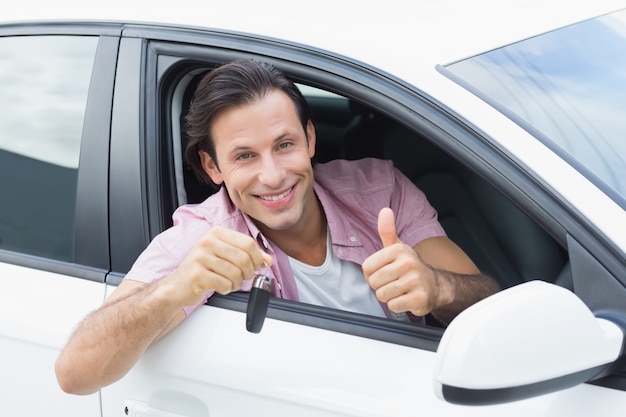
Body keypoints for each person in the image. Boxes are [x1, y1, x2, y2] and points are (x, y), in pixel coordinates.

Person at [55, 59, 499, 395]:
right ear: (213, 166)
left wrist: (436, 288)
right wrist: (175, 287)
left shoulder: (377, 189)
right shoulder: (202, 235)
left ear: (309, 138)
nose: (272, 176)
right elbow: (75, 374)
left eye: (284, 145)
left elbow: (491, 304)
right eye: (245, 156)